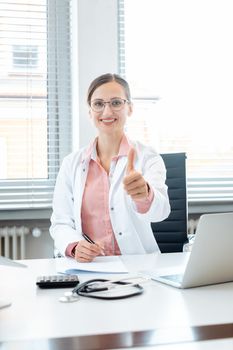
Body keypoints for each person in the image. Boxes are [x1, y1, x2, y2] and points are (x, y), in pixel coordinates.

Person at [50, 73, 170, 262]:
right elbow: (60, 222)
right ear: (90, 111)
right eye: (98, 104)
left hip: (138, 266)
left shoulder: (148, 157)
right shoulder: (71, 164)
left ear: (129, 108)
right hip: (90, 267)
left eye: (116, 103)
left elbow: (160, 212)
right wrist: (74, 246)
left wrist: (145, 194)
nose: (107, 112)